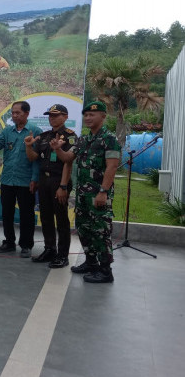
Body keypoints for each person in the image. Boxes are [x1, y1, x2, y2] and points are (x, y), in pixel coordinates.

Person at [57, 101, 120, 283]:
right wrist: (58, 149)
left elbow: (112, 166)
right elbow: (68, 158)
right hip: (83, 195)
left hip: (98, 195)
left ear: (103, 116)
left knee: (100, 232)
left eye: (92, 114)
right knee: (84, 229)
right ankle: (91, 263)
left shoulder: (109, 139)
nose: (88, 118)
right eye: (86, 115)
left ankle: (105, 270)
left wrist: (103, 191)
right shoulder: (84, 139)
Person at [0, 101, 40, 257]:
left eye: (18, 113)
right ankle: (9, 242)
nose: (14, 115)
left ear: (27, 113)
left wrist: (35, 179)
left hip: (26, 180)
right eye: (13, 113)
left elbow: (37, 159)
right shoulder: (7, 131)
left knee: (26, 215)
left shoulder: (35, 131)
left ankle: (26, 245)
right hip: (8, 180)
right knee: (7, 213)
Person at [24, 104, 76, 268]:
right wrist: (28, 145)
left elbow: (68, 161)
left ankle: (62, 255)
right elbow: (33, 158)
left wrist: (63, 186)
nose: (52, 118)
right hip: (44, 180)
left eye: (56, 115)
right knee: (45, 217)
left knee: (61, 219)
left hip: (59, 181)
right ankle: (49, 249)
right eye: (50, 115)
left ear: (65, 117)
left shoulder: (70, 136)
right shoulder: (45, 136)